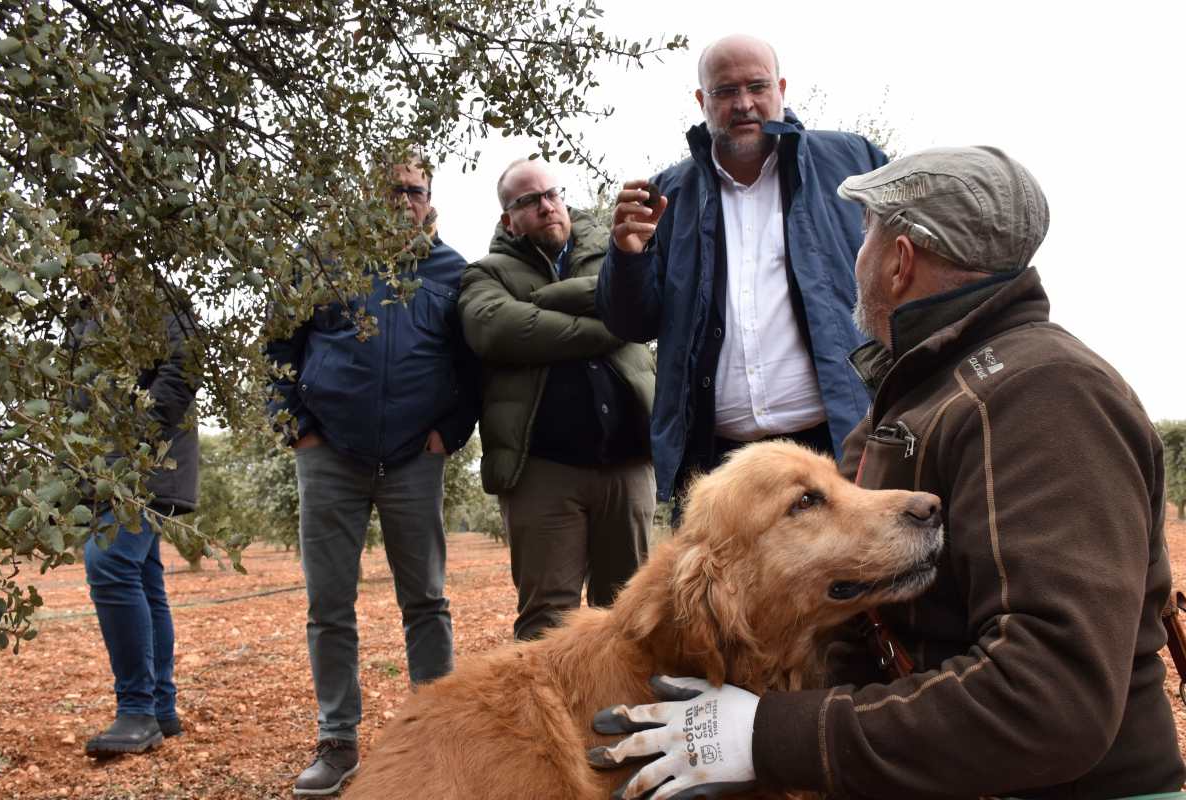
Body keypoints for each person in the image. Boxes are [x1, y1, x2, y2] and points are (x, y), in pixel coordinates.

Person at [587, 147, 1186, 799]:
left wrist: (767, 737)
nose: (856, 256)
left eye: (865, 233)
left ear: (900, 260)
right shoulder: (924, 394)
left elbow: (1050, 701)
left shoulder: (1048, 394)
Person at [597, 34, 888, 513]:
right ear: (701, 101)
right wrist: (628, 257)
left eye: (757, 86)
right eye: (725, 91)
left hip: (838, 442)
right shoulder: (670, 194)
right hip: (717, 461)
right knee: (721, 589)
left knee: (857, 583)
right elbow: (631, 325)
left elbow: (907, 270)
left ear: (782, 88)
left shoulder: (853, 163)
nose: (744, 104)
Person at [265, 156, 479, 796]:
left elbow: (472, 367)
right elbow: (276, 348)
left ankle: (435, 732)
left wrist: (451, 433)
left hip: (415, 456)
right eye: (393, 188)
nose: (404, 200)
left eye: (416, 190)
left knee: (427, 601)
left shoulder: (453, 271)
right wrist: (295, 428)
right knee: (329, 603)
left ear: (430, 198)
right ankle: (337, 741)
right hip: (330, 453)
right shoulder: (321, 262)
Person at [458, 158, 656, 642]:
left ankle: (625, 719)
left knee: (631, 616)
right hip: (542, 471)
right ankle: (548, 720)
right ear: (508, 218)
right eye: (529, 201)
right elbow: (500, 330)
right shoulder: (485, 274)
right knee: (547, 621)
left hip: (627, 465)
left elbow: (650, 301)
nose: (547, 207)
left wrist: (545, 302)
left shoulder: (618, 251)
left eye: (552, 194)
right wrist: (610, 317)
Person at [80, 285, 200, 758]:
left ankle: (137, 711)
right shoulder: (84, 308)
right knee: (144, 577)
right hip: (103, 466)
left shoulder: (159, 298)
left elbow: (183, 366)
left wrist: (135, 432)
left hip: (147, 461)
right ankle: (160, 708)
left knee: (108, 561)